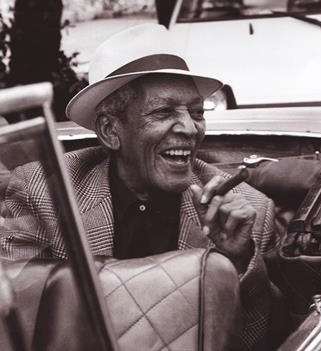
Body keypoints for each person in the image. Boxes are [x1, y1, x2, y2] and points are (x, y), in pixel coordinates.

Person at [0, 24, 282, 348]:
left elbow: (267, 341)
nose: (190, 129)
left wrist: (239, 259)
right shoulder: (43, 192)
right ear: (109, 130)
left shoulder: (248, 210)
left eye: (196, 112)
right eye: (163, 112)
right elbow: (13, 321)